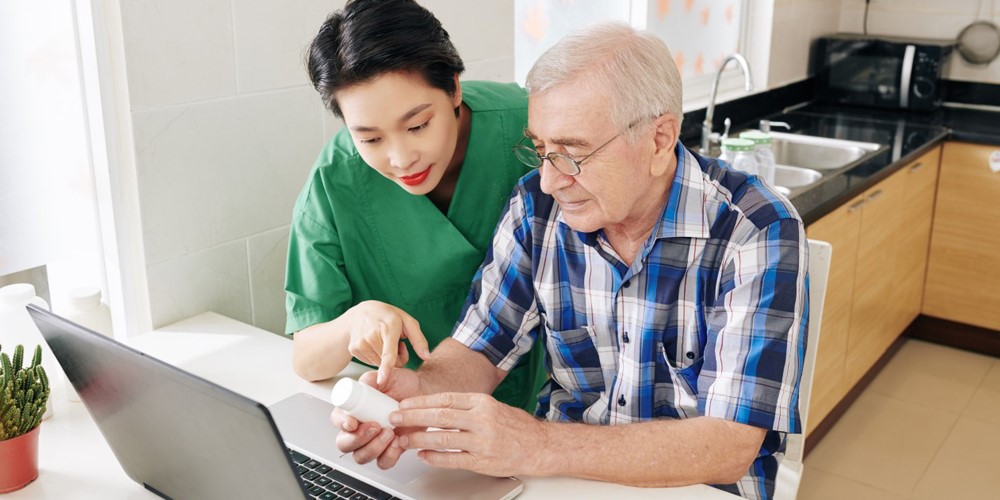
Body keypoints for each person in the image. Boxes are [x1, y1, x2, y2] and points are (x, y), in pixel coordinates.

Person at [331, 21, 809, 500]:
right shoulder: (537, 210)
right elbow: (480, 347)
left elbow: (727, 446)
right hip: (562, 481)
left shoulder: (756, 228)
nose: (549, 180)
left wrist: (536, 443)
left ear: (660, 140)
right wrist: (418, 393)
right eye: (541, 150)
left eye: (573, 154)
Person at [284, 0, 547, 415]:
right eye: (370, 139)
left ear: (454, 88)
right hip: (400, 413)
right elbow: (307, 359)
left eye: (418, 125)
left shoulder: (533, 127)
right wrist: (351, 324)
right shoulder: (336, 180)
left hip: (538, 409)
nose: (401, 158)